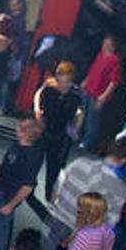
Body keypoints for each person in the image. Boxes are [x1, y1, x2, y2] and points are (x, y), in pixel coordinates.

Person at [42, 137, 126, 250]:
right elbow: (111, 221)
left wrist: (53, 206)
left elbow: (57, 187)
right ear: (124, 160)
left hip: (56, 218)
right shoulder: (120, 188)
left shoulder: (80, 162)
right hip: (80, 232)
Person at [0, 117, 44, 250]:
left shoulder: (30, 155)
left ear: (26, 133)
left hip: (7, 198)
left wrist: (10, 205)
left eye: (21, 127)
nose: (17, 127)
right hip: (1, 192)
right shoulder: (18, 145)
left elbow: (28, 186)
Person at [34, 61, 84, 202]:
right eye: (60, 81)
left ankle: (49, 193)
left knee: (54, 168)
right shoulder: (49, 91)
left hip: (60, 136)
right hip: (44, 131)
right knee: (33, 161)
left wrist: (76, 128)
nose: (63, 85)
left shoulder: (75, 97)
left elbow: (80, 112)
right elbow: (38, 97)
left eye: (67, 82)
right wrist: (38, 114)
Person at [79, 35, 123, 152]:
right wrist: (86, 80)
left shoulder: (115, 60)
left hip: (98, 95)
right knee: (81, 114)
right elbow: (93, 70)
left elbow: (114, 82)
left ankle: (86, 143)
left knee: (92, 121)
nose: (105, 46)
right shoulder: (101, 55)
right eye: (104, 43)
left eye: (108, 44)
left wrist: (103, 97)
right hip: (88, 90)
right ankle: (77, 136)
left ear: (113, 47)